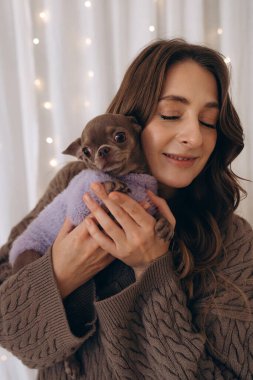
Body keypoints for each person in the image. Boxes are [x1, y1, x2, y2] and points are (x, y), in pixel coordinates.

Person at [0, 38, 252, 379]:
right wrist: (61, 273)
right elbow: (13, 333)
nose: (194, 136)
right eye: (171, 114)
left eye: (208, 121)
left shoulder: (234, 241)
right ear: (130, 121)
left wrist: (153, 270)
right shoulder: (77, 182)